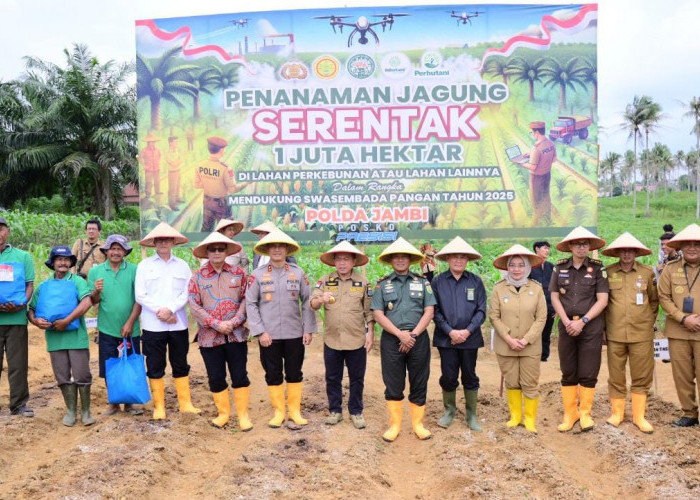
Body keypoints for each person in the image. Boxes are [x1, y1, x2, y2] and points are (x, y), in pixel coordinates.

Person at [246, 229, 316, 428]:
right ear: (267, 250)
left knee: (295, 372)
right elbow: (250, 303)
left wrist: (308, 329)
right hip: (269, 335)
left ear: (287, 249)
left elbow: (307, 302)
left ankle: (294, 411)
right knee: (273, 373)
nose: (277, 250)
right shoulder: (257, 275)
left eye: (281, 246)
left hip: (294, 333)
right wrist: (260, 331)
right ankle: (279, 412)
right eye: (273, 246)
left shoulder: (298, 273)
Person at [371, 237, 436, 442]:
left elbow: (429, 311)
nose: (400, 260)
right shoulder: (382, 285)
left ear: (410, 260)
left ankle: (418, 424)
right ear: (391, 260)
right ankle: (395, 425)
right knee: (393, 381)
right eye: (396, 257)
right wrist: (400, 335)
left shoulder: (423, 282)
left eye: (404, 257)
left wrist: (413, 334)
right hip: (392, 338)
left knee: (419, 379)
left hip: (418, 337)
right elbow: (378, 314)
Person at [135, 222, 200, 420]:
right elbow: (140, 295)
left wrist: (171, 309)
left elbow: (188, 291)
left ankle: (185, 403)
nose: (163, 243)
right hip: (153, 325)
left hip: (178, 323)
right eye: (159, 240)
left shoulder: (182, 265)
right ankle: (159, 407)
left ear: (173, 242)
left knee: (180, 362)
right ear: (154, 243)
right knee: (155, 364)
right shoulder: (144, 266)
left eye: (167, 239)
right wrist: (161, 311)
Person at [189, 232, 251, 430]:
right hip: (209, 337)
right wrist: (216, 324)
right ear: (207, 252)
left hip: (236, 334)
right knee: (215, 376)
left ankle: (243, 415)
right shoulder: (197, 277)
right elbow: (194, 305)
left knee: (239, 374)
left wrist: (235, 321)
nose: (216, 252)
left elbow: (246, 299)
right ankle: (223, 414)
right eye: (212, 249)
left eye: (220, 249)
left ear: (226, 252)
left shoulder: (238, 274)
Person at [549, 226, 609, 432]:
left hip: (590, 326)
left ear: (589, 246)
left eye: (585, 244)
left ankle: (585, 414)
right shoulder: (559, 267)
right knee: (568, 370)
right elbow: (555, 296)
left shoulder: (598, 268)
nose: (581, 247)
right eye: (577, 244)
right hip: (566, 326)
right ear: (570, 247)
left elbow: (603, 300)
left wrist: (582, 321)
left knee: (589, 370)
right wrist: (567, 322)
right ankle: (570, 413)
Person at [310, 241, 374, 429]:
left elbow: (369, 311)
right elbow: (312, 302)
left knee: (356, 378)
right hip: (332, 339)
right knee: (332, 377)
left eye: (346, 259)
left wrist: (370, 333)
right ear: (334, 262)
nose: (342, 263)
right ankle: (335, 411)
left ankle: (356, 411)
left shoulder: (362, 283)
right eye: (339, 260)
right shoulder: (325, 280)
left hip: (356, 340)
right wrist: (320, 299)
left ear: (354, 261)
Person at [28, 246, 94, 426]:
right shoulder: (44, 286)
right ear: (53, 263)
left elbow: (87, 302)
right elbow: (31, 309)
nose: (63, 262)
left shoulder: (78, 282)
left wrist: (67, 320)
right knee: (62, 376)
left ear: (71, 263)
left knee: (82, 375)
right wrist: (35, 321)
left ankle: (86, 411)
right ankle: (71, 410)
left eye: (66, 259)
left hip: (76, 337)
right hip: (55, 338)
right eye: (59, 259)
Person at [601, 232, 658, 433]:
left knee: (641, 375)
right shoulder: (608, 272)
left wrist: (647, 322)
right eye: (623, 250)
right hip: (615, 333)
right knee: (616, 375)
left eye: (630, 250)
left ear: (636, 252)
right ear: (617, 252)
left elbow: (653, 301)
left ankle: (639, 416)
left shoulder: (647, 272)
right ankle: (617, 413)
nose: (626, 254)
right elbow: (602, 303)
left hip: (641, 333)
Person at [489, 244, 547, 433]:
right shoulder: (499, 288)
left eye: (520, 265)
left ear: (527, 267)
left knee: (530, 383)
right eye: (512, 265)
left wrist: (527, 339)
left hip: (530, 346)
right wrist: (508, 338)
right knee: (512, 381)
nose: (516, 269)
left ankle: (529, 419)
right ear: (507, 267)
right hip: (506, 346)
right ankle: (515, 417)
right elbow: (493, 316)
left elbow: (541, 317)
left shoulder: (536, 289)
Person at [431, 236, 486, 432]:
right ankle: (449, 411)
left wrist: (467, 331)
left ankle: (471, 414)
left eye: (463, 257)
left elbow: (481, 310)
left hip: (470, 339)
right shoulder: (438, 282)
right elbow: (434, 311)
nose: (459, 261)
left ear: (467, 260)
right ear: (448, 259)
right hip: (447, 340)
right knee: (448, 375)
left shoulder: (475, 281)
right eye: (455, 257)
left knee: (470, 375)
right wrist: (450, 331)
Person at [87, 234, 143, 416]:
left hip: (130, 329)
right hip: (107, 329)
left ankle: (129, 403)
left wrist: (129, 323)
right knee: (110, 366)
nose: (116, 252)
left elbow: (139, 300)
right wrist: (96, 290)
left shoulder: (134, 270)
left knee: (129, 365)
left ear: (125, 251)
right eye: (112, 248)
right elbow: (93, 301)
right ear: (106, 251)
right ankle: (113, 403)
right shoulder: (96, 272)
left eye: (119, 249)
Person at [658, 223, 700, 427]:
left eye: (697, 244)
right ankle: (689, 413)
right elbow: (663, 296)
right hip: (678, 331)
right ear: (681, 247)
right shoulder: (670, 269)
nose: (692, 248)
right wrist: (683, 318)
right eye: (688, 244)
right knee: (682, 375)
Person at [0, 216, 35, 417]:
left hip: (16, 319)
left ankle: (19, 404)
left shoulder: (23, 257)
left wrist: (22, 303)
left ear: (8, 231)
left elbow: (29, 285)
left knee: (18, 365)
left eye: (1, 228)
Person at [194, 136, 248, 232]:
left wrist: (210, 184)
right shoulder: (225, 168)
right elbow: (232, 190)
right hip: (222, 204)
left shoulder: (200, 165)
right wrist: (246, 183)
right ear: (222, 150)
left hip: (207, 202)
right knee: (226, 232)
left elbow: (197, 185)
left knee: (206, 231)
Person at [521, 121, 556, 226]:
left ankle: (536, 222)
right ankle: (547, 219)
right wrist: (532, 155)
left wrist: (520, 162)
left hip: (536, 178)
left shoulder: (536, 148)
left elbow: (532, 167)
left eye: (531, 132)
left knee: (535, 200)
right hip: (547, 175)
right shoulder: (550, 143)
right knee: (546, 196)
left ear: (536, 132)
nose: (531, 134)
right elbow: (554, 159)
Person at [529, 241, 556, 361]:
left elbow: (557, 287)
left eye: (548, 248)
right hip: (533, 307)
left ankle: (544, 357)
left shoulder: (552, 267)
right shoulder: (529, 267)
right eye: (545, 248)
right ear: (537, 249)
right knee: (533, 332)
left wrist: (556, 308)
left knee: (546, 333)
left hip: (550, 306)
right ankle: (531, 355)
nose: (547, 250)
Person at [139, 132, 162, 199]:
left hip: (156, 168)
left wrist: (158, 163)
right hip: (148, 169)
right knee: (148, 182)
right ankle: (148, 194)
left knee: (157, 181)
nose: (152, 143)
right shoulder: (144, 150)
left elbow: (160, 156)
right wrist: (144, 165)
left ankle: (157, 191)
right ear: (148, 142)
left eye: (153, 142)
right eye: (151, 142)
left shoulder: (157, 150)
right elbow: (139, 157)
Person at [165, 135, 185, 210]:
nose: (177, 143)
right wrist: (178, 161)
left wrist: (177, 161)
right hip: (172, 172)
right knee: (172, 188)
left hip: (178, 170)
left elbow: (182, 159)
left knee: (178, 186)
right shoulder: (167, 152)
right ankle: (172, 204)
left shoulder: (177, 150)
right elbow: (173, 163)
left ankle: (177, 198)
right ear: (170, 143)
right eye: (175, 142)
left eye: (177, 141)